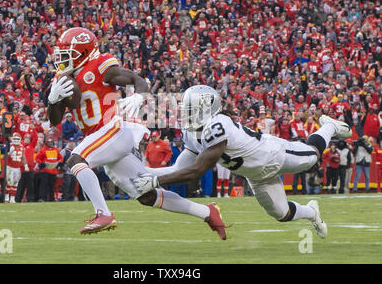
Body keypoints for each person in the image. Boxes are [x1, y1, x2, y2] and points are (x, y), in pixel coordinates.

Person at [48, 28, 227, 239]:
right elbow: (55, 119)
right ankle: (207, 212)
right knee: (146, 194)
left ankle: (103, 214)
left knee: (76, 159)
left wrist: (140, 97)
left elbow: (137, 80)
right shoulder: (63, 78)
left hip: (113, 128)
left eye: (69, 54)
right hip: (99, 137)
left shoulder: (100, 67)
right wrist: (52, 101)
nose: (63, 59)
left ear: (85, 52)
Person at [134, 85, 354, 239]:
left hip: (272, 155)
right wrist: (147, 173)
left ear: (206, 109)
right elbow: (182, 167)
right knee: (282, 214)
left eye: (191, 109)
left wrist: (155, 180)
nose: (186, 114)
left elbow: (197, 170)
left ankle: (329, 126)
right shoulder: (192, 133)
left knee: (313, 155)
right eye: (186, 109)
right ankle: (311, 212)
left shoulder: (217, 125)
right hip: (255, 175)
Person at [35, 137, 64, 202]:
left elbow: (60, 158)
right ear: (46, 143)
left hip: (53, 170)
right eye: (48, 142)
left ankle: (51, 198)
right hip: (45, 170)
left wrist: (59, 162)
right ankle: (42, 198)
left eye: (51, 142)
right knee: (44, 185)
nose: (50, 144)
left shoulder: (56, 150)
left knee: (52, 186)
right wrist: (41, 163)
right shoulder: (43, 150)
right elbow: (38, 158)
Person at [5, 133, 29, 203]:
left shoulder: (22, 146)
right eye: (14, 139)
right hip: (10, 167)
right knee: (9, 182)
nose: (16, 140)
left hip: (17, 168)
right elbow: (4, 157)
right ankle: (6, 197)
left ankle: (12, 198)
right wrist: (9, 152)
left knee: (15, 183)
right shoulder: (9, 145)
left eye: (17, 139)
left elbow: (23, 156)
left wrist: (25, 165)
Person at [15, 134, 36, 202]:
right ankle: (18, 199)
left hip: (30, 169)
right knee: (21, 186)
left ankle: (30, 199)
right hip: (21, 169)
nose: (27, 139)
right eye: (26, 138)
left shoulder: (32, 146)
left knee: (30, 186)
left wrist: (33, 130)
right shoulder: (21, 146)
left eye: (28, 138)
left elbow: (35, 137)